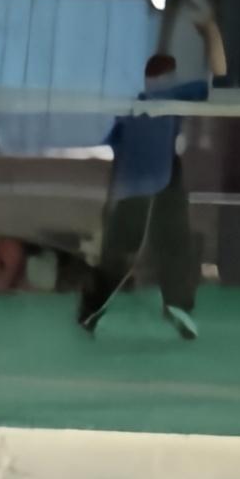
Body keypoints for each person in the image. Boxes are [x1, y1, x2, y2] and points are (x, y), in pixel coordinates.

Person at [75, 36, 208, 337]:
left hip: (163, 177)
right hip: (137, 182)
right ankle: (92, 308)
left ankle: (177, 306)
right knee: (122, 249)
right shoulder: (135, 108)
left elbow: (210, 86)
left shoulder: (172, 96)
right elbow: (114, 143)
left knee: (172, 243)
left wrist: (209, 33)